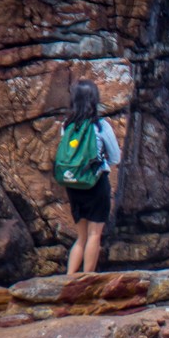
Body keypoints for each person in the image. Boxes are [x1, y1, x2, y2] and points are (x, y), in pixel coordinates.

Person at [61, 80, 122, 275]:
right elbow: (115, 157)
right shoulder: (101, 125)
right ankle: (87, 278)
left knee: (81, 237)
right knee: (95, 234)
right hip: (95, 182)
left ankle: (69, 277)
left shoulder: (67, 125)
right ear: (94, 99)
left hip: (73, 183)